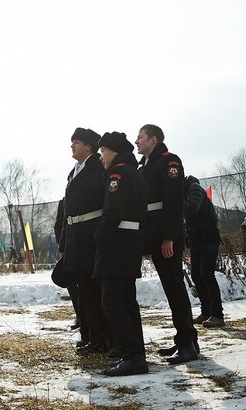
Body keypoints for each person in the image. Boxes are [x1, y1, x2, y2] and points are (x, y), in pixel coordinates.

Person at [135, 124, 199, 364]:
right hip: (154, 234)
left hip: (166, 236)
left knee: (175, 289)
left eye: (140, 137)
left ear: (154, 139)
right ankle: (186, 340)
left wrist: (169, 237)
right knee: (171, 289)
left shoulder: (169, 160)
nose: (136, 141)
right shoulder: (145, 165)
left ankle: (187, 344)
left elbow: (173, 202)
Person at [95, 132, 149, 376]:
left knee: (113, 301)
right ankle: (136, 353)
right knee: (127, 301)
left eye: (103, 152)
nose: (101, 157)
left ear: (114, 151)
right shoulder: (133, 171)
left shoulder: (117, 174)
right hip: (130, 241)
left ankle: (132, 355)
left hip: (116, 243)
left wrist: (98, 237)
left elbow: (113, 212)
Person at [61, 127, 110, 354]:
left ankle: (101, 338)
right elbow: (66, 214)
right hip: (75, 237)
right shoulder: (74, 172)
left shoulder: (97, 168)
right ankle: (88, 334)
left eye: (76, 142)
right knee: (82, 290)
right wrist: (63, 244)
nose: (72, 146)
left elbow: (105, 203)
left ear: (89, 146)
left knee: (93, 289)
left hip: (91, 235)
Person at [183, 175, 224, 328]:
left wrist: (174, 200)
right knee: (197, 276)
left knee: (207, 275)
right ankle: (206, 311)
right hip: (197, 240)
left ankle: (217, 315)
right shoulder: (186, 191)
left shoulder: (194, 188)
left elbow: (192, 208)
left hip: (208, 238)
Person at [53, 198, 80, 331]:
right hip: (69, 249)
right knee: (71, 285)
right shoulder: (64, 202)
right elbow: (58, 225)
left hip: (86, 247)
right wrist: (62, 246)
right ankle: (80, 316)